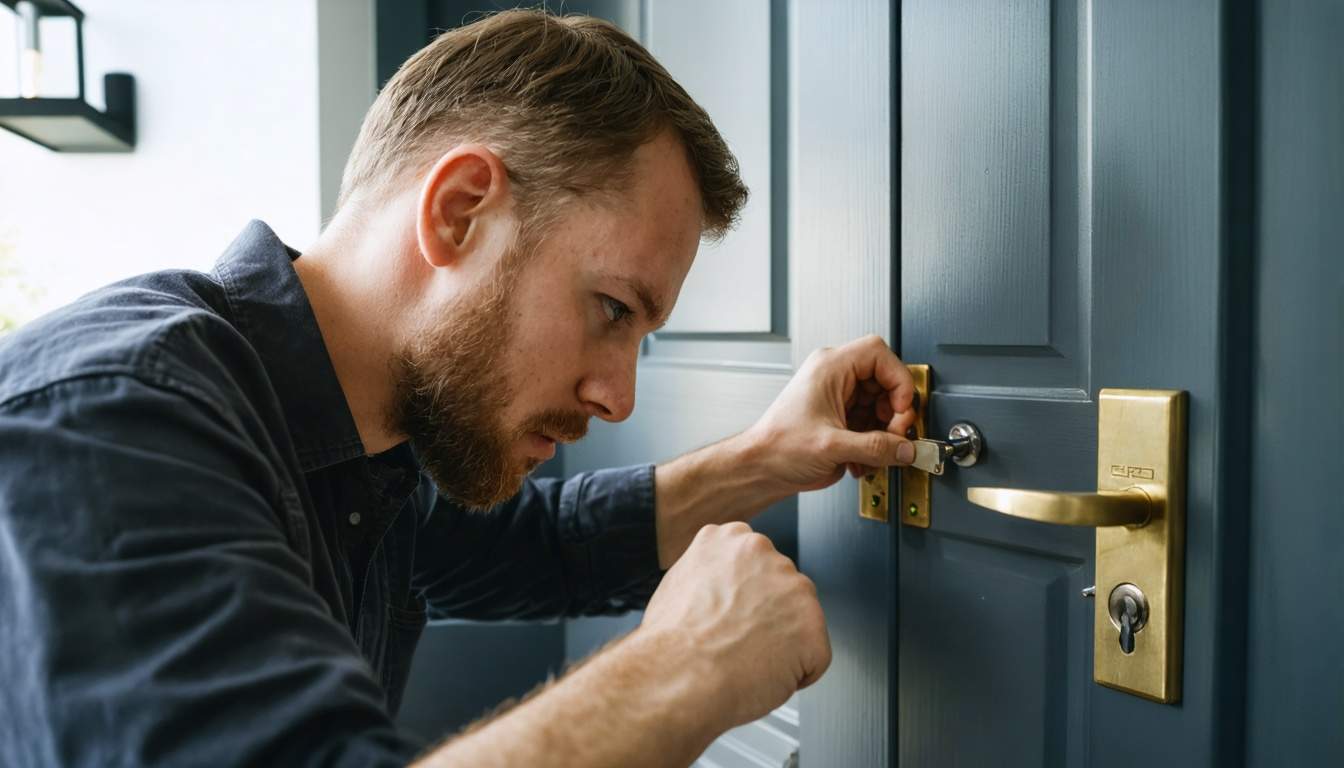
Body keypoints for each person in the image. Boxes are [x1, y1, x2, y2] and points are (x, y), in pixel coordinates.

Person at [0, 9, 917, 767]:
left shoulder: (368, 438)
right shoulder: (119, 415)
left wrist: (765, 459)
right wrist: (693, 663)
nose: (618, 396)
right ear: (459, 211)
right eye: (610, 309)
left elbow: (542, 544)